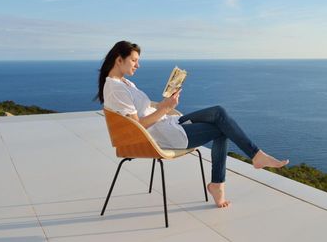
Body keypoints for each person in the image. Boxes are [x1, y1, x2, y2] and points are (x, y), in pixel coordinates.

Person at [96, 41, 289, 208]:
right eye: (134, 60)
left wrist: (166, 104)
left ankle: (252, 159)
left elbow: (143, 112)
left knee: (219, 112)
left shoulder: (124, 84)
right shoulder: (116, 88)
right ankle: (226, 178)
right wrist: (164, 108)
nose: (138, 65)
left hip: (167, 124)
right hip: (162, 137)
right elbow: (136, 127)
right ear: (118, 59)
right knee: (222, 129)